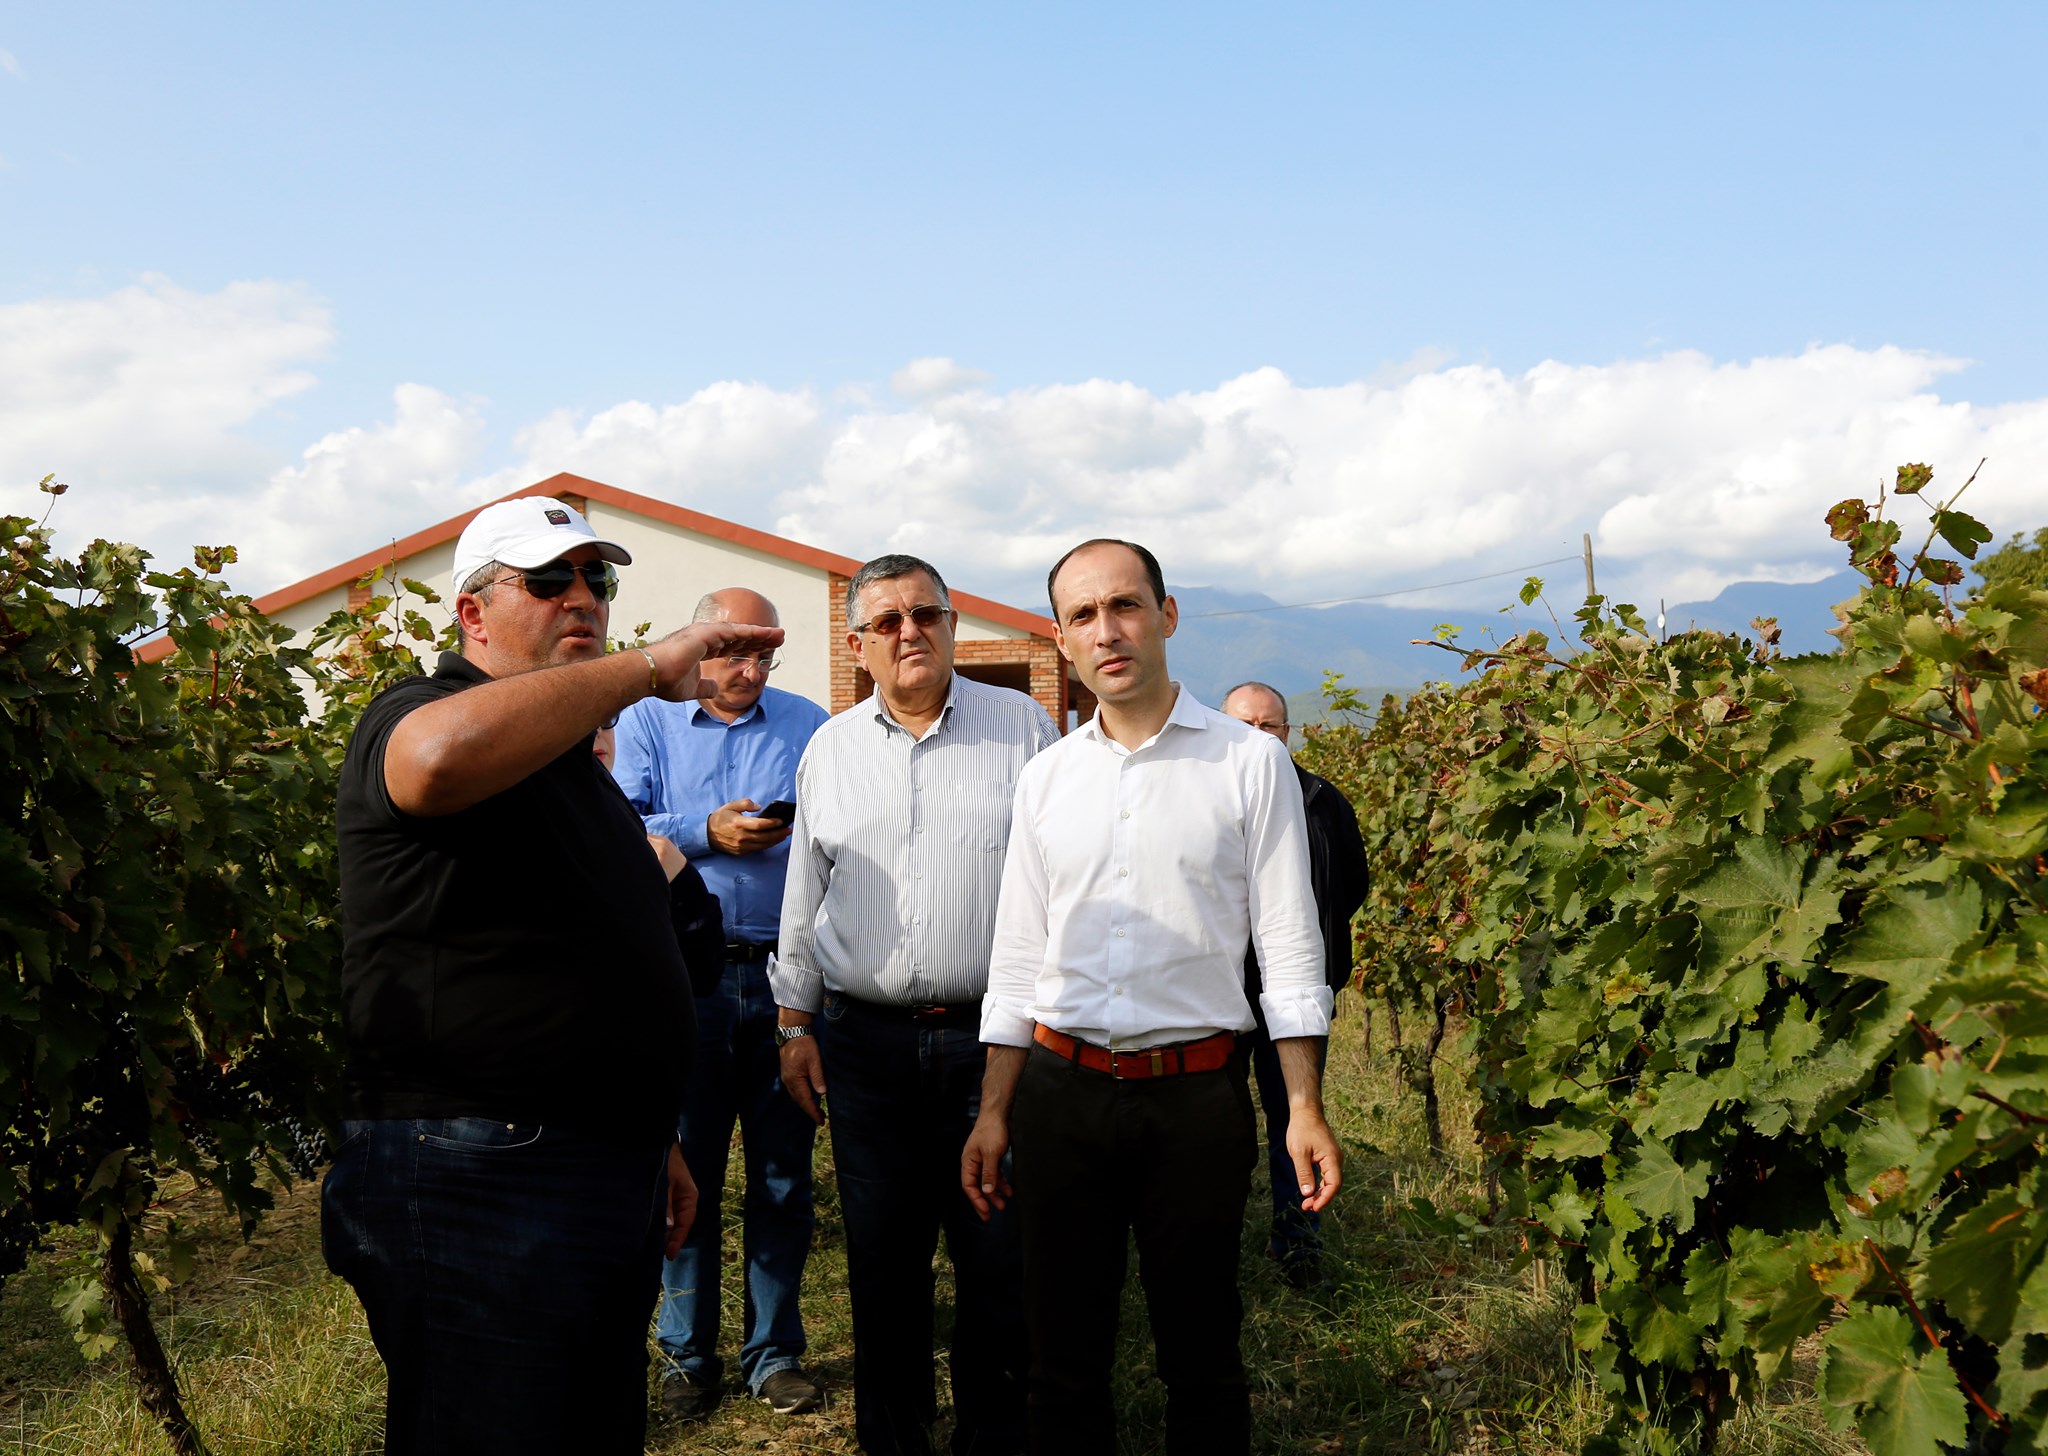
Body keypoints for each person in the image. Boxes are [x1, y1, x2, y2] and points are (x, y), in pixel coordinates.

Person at [322, 495, 781, 1455]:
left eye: (595, 579)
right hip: (479, 1169)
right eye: (546, 580)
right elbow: (434, 760)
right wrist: (652, 667)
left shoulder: (572, 770)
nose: (582, 598)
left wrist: (653, 1140)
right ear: (473, 613)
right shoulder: (414, 711)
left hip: (593, 1163)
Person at [961, 539, 1342, 1456]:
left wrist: (1302, 1105)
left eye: (1125, 605)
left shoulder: (1250, 764)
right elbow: (1017, 959)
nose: (1108, 631)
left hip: (1196, 1099)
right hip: (1061, 1095)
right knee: (1061, 1358)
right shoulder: (1046, 778)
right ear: (1061, 639)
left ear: (1167, 615)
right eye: (1083, 615)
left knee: (1202, 1351)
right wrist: (995, 1110)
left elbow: (1290, 946)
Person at [773, 553, 1053, 1456]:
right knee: (883, 1260)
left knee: (996, 1255)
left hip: (992, 1044)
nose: (909, 633)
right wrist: (793, 1023)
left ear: (951, 626)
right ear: (858, 644)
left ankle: (993, 1439)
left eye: (925, 615)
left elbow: (1060, 879)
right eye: (887, 622)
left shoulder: (1023, 729)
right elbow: (804, 895)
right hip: (865, 1048)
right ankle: (893, 1441)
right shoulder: (830, 749)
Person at [609, 588, 830, 1421]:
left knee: (782, 1177)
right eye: (735, 652)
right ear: (700, 646)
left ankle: (774, 1354)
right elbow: (618, 826)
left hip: (784, 980)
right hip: (685, 978)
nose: (750, 670)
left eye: (764, 656)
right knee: (685, 1172)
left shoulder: (809, 725)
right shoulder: (645, 722)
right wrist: (707, 830)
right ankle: (685, 1357)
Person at [1218, 681, 1370, 1290]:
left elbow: (1351, 884)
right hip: (1221, 993)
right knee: (1221, 1121)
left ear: (1287, 733)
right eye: (1245, 725)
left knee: (1296, 1116)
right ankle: (1215, 1241)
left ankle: (1298, 1246)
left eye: (1270, 725)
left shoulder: (1322, 800)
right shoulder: (1204, 799)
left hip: (1299, 994)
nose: (1259, 736)